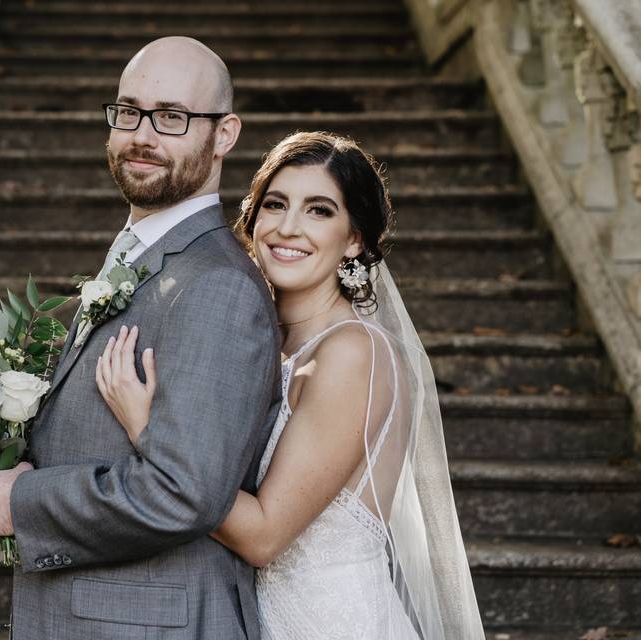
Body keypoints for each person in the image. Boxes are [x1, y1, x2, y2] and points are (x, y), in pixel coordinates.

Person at [96, 132, 486, 640]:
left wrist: (150, 429)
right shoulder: (262, 344)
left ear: (355, 239)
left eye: (319, 211)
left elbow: (263, 537)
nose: (288, 227)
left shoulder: (352, 353)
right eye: (275, 204)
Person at [0, 37, 281, 639]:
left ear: (226, 134)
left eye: (172, 117)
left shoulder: (218, 288)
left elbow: (185, 495)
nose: (142, 134)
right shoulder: (143, 255)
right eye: (128, 111)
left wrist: (24, 502)